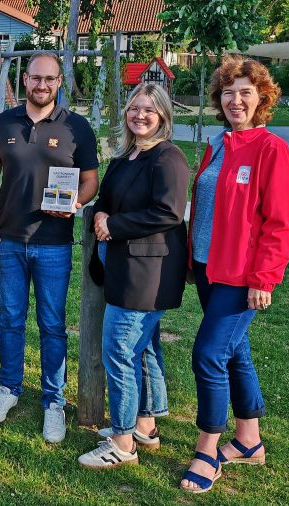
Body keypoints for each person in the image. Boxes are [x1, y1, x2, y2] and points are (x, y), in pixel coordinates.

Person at [179, 56, 289, 493]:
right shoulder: (218, 145)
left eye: (246, 92)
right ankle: (249, 440)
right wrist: (194, 261)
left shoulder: (271, 150)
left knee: (209, 354)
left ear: (261, 98)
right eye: (229, 92)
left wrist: (264, 278)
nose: (236, 99)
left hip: (241, 275)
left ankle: (207, 450)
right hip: (210, 269)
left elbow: (277, 223)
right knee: (234, 353)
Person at [0, 51, 99, 443]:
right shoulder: (2, 124)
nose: (42, 85)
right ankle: (9, 388)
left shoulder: (77, 128)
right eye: (35, 78)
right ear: (25, 80)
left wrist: (77, 202)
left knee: (52, 325)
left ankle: (54, 401)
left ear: (59, 82)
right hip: (9, 240)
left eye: (49, 79)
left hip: (54, 243)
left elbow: (90, 181)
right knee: (10, 318)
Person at [77, 83, 189, 469]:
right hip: (124, 267)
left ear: (163, 116)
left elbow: (168, 212)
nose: (139, 116)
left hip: (148, 272)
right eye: (134, 108)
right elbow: (107, 199)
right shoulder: (126, 157)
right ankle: (145, 426)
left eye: (149, 110)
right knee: (143, 349)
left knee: (119, 352)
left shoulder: (168, 157)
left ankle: (122, 444)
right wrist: (103, 215)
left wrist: (116, 224)